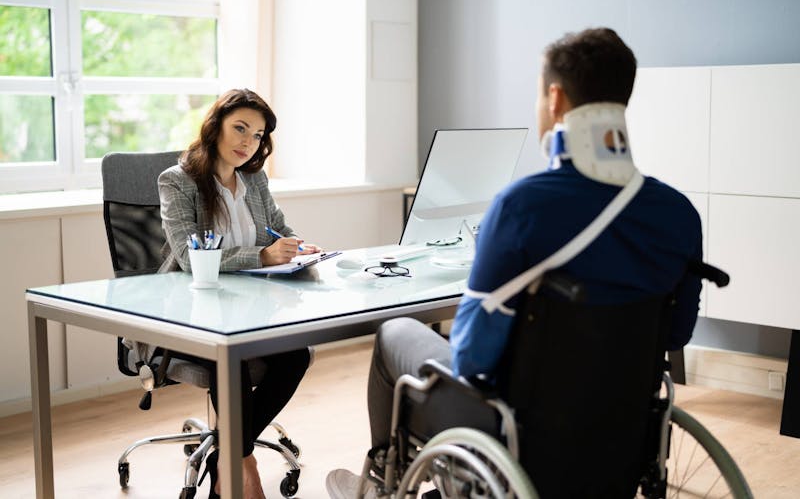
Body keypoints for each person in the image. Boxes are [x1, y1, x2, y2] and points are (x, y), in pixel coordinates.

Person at [326, 27, 703, 498]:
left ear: (555, 97)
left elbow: (471, 358)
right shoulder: (678, 212)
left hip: (521, 426)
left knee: (394, 332)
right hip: (622, 421)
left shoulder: (524, 207)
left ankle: (384, 485)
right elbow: (675, 334)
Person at [158, 88, 320, 499]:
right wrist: (261, 256)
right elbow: (188, 254)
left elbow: (279, 227)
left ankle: (227, 454)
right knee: (231, 362)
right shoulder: (178, 181)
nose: (247, 143)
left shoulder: (254, 178)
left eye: (257, 135)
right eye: (240, 129)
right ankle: (243, 465)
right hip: (193, 312)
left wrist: (296, 246)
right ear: (216, 127)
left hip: (254, 308)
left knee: (295, 355)